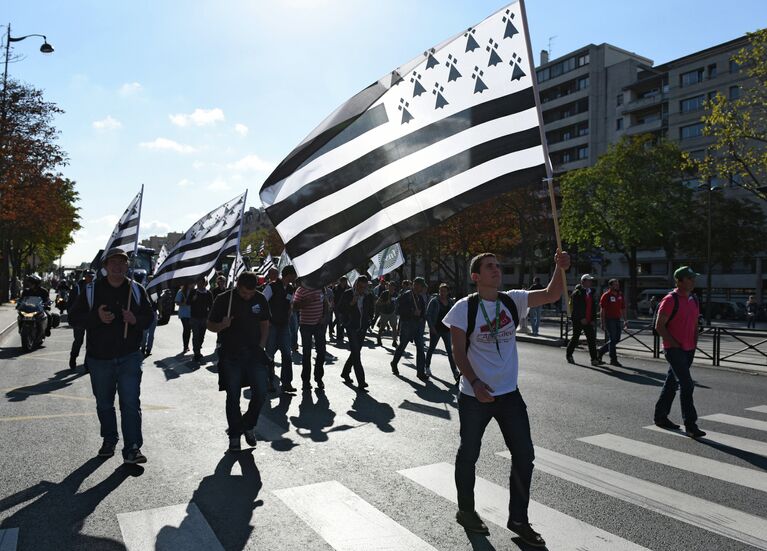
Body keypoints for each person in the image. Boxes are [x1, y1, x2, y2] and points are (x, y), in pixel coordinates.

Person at [442, 250, 570, 548]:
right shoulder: (464, 308)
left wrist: (559, 268)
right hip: (475, 396)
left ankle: (518, 519)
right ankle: (466, 510)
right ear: (476, 276)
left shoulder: (513, 299)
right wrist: (474, 382)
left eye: (498, 266)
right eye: (489, 267)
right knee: (469, 452)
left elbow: (552, 294)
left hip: (509, 395)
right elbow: (458, 352)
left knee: (524, 455)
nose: (496, 270)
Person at [68, 248, 153, 464]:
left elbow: (150, 317)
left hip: (129, 356)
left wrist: (135, 319)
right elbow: (73, 318)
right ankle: (109, 439)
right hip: (99, 358)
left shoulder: (136, 290)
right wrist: (96, 317)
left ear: (127, 266)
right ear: (105, 266)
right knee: (104, 403)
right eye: (113, 263)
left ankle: (133, 448)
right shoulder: (91, 290)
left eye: (122, 263)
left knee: (130, 402)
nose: (118, 266)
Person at [207, 271, 271, 452]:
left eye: (251, 293)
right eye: (244, 293)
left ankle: (247, 425)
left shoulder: (260, 299)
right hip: (231, 355)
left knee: (261, 392)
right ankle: (235, 435)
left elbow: (265, 323)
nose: (248, 296)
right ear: (237, 286)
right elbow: (210, 324)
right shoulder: (223, 299)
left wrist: (262, 345)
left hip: (254, 354)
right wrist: (222, 325)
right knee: (233, 396)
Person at [653, 266, 705, 438]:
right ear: (680, 281)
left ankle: (660, 416)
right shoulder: (670, 300)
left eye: (693, 278)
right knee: (687, 385)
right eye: (690, 278)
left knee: (671, 383)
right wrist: (674, 344)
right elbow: (659, 326)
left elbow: (695, 324)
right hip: (674, 349)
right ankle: (690, 425)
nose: (693, 281)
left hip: (689, 349)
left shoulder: (694, 299)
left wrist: (694, 343)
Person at [263, 265, 297, 392]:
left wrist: (289, 315)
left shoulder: (290, 289)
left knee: (287, 355)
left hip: (284, 326)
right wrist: (267, 321)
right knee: (269, 355)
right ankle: (268, 382)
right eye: (294, 275)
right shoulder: (271, 286)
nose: (296, 277)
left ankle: (286, 383)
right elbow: (263, 302)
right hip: (272, 326)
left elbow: (290, 304)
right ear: (289, 275)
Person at [338, 275, 375, 390]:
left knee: (355, 352)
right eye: (359, 287)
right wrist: (351, 303)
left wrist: (369, 319)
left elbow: (370, 309)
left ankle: (345, 372)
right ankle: (361, 381)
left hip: (362, 328)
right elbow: (340, 309)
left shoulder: (368, 296)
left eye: (364, 287)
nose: (361, 289)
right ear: (356, 284)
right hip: (351, 327)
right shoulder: (348, 293)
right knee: (356, 354)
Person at [292, 281, 328, 390]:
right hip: (306, 325)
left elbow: (325, 303)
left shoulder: (321, 287)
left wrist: (324, 317)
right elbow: (295, 306)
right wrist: (306, 302)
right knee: (307, 354)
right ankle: (306, 380)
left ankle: (319, 378)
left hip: (319, 325)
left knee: (321, 352)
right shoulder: (301, 289)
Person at [391, 277, 428, 381]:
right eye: (421, 286)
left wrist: (421, 315)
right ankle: (394, 363)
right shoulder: (406, 296)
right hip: (407, 324)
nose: (422, 288)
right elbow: (399, 310)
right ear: (416, 285)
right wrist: (412, 312)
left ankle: (420, 372)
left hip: (417, 325)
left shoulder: (420, 298)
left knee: (420, 348)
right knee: (402, 346)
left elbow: (423, 311)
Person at [565, 274, 601, 366]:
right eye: (588, 280)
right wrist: (582, 318)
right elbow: (576, 308)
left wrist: (593, 319)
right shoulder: (577, 293)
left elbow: (593, 307)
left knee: (591, 339)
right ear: (583, 282)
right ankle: (569, 355)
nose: (590, 282)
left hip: (588, 320)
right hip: (578, 320)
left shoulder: (591, 292)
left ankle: (594, 359)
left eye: (591, 280)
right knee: (575, 338)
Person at [425, 283, 459, 381]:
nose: (442, 293)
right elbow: (428, 315)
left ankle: (455, 371)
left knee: (450, 351)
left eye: (444, 291)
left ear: (448, 292)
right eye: (440, 291)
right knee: (431, 348)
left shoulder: (451, 302)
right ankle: (427, 367)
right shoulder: (434, 301)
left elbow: (454, 315)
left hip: (447, 330)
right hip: (436, 330)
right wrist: (431, 327)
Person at [68, 269, 95, 371]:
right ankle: (73, 357)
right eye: (89, 276)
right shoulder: (77, 288)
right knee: (78, 341)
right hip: (79, 319)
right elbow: (70, 304)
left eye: (92, 277)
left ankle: (87, 364)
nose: (91, 278)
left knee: (90, 342)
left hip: (92, 319)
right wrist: (72, 317)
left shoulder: (96, 288)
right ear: (85, 277)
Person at [597, 279, 628, 367]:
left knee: (616, 339)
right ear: (610, 286)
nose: (617, 286)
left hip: (617, 319)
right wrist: (602, 322)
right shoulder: (606, 295)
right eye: (615, 285)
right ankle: (613, 359)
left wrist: (625, 320)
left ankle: (601, 351)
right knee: (613, 339)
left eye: (617, 284)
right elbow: (602, 310)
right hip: (609, 319)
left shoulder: (620, 295)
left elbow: (623, 308)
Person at [189, 276, 214, 362]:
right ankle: (196, 352)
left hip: (204, 318)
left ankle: (198, 347)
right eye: (198, 282)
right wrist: (193, 299)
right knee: (196, 335)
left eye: (201, 282)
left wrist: (210, 317)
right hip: (194, 317)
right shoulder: (193, 292)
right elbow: (188, 302)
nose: (200, 284)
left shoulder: (208, 293)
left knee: (201, 336)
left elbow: (211, 306)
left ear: (204, 283)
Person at [375, 282, 398, 347]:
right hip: (384, 313)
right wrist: (385, 303)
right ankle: (379, 337)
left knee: (394, 327)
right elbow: (378, 303)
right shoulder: (384, 293)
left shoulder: (395, 294)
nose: (391, 288)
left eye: (393, 286)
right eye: (390, 286)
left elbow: (396, 303)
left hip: (392, 312)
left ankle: (394, 341)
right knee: (382, 327)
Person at [175, 282, 194, 354]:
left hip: (192, 314)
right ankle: (185, 346)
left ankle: (187, 345)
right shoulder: (181, 291)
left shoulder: (194, 292)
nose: (192, 284)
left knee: (189, 330)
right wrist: (184, 303)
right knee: (186, 328)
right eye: (191, 283)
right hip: (184, 314)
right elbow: (177, 302)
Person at [331, 277, 349, 344]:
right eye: (343, 281)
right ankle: (339, 335)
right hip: (336, 306)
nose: (344, 283)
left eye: (345, 281)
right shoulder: (336, 288)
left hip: (344, 307)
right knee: (339, 320)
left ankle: (332, 326)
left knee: (342, 320)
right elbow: (332, 296)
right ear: (340, 281)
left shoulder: (347, 288)